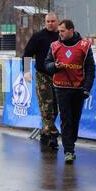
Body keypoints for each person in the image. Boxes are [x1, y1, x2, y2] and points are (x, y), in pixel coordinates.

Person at [45, 19, 95, 163]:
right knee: (66, 119)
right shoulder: (54, 46)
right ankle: (68, 150)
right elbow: (44, 63)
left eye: (62, 31)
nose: (59, 33)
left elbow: (90, 69)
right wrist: (54, 66)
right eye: (58, 31)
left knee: (75, 119)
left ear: (71, 30)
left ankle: (71, 141)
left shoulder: (84, 46)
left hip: (78, 88)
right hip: (61, 88)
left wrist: (87, 88)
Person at [23, 12, 60, 149]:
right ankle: (53, 136)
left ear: (57, 21)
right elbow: (27, 54)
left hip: (58, 76)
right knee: (46, 107)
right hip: (42, 76)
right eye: (48, 21)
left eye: (53, 21)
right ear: (45, 22)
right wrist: (26, 71)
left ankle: (45, 132)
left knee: (55, 108)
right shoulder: (38, 37)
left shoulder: (60, 37)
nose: (50, 23)